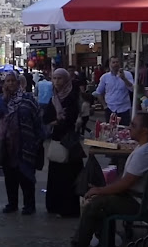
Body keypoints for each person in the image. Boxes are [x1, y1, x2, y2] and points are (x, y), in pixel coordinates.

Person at [72, 112, 148, 247]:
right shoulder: (145, 148)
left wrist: (101, 190)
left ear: (144, 131)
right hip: (136, 197)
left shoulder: (145, 153)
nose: (129, 128)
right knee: (97, 199)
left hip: (138, 202)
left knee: (94, 205)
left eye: (133, 125)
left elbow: (126, 183)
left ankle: (80, 243)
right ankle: (103, 239)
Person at [0, 72, 43, 216]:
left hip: (26, 144)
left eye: (13, 81)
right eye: (7, 81)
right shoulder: (2, 100)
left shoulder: (28, 99)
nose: (10, 84)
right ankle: (12, 203)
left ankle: (29, 205)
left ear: (18, 83)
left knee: (26, 176)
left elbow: (37, 119)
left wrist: (38, 139)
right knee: (10, 177)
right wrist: (4, 97)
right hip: (7, 145)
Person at [43, 68, 83, 218]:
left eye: (60, 78)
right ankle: (55, 206)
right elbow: (46, 118)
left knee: (69, 176)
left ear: (66, 80)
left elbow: (69, 120)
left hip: (69, 141)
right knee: (57, 174)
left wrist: (57, 122)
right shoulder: (54, 96)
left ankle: (69, 209)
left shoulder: (72, 96)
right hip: (57, 139)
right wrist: (56, 121)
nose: (57, 82)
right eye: (54, 78)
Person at [95, 56, 134, 126]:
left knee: (124, 130)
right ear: (110, 64)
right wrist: (105, 106)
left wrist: (124, 78)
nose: (115, 64)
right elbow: (98, 92)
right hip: (110, 108)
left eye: (117, 62)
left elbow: (132, 89)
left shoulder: (127, 74)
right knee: (111, 131)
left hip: (124, 109)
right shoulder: (105, 77)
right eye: (113, 62)